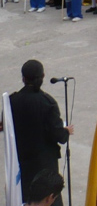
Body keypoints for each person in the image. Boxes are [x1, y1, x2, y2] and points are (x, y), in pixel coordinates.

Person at [6, 60, 74, 203]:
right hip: (45, 166)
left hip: (23, 164)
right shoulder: (47, 103)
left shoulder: (13, 101)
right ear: (42, 76)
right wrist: (66, 131)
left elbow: (5, 125)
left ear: (23, 78)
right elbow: (59, 136)